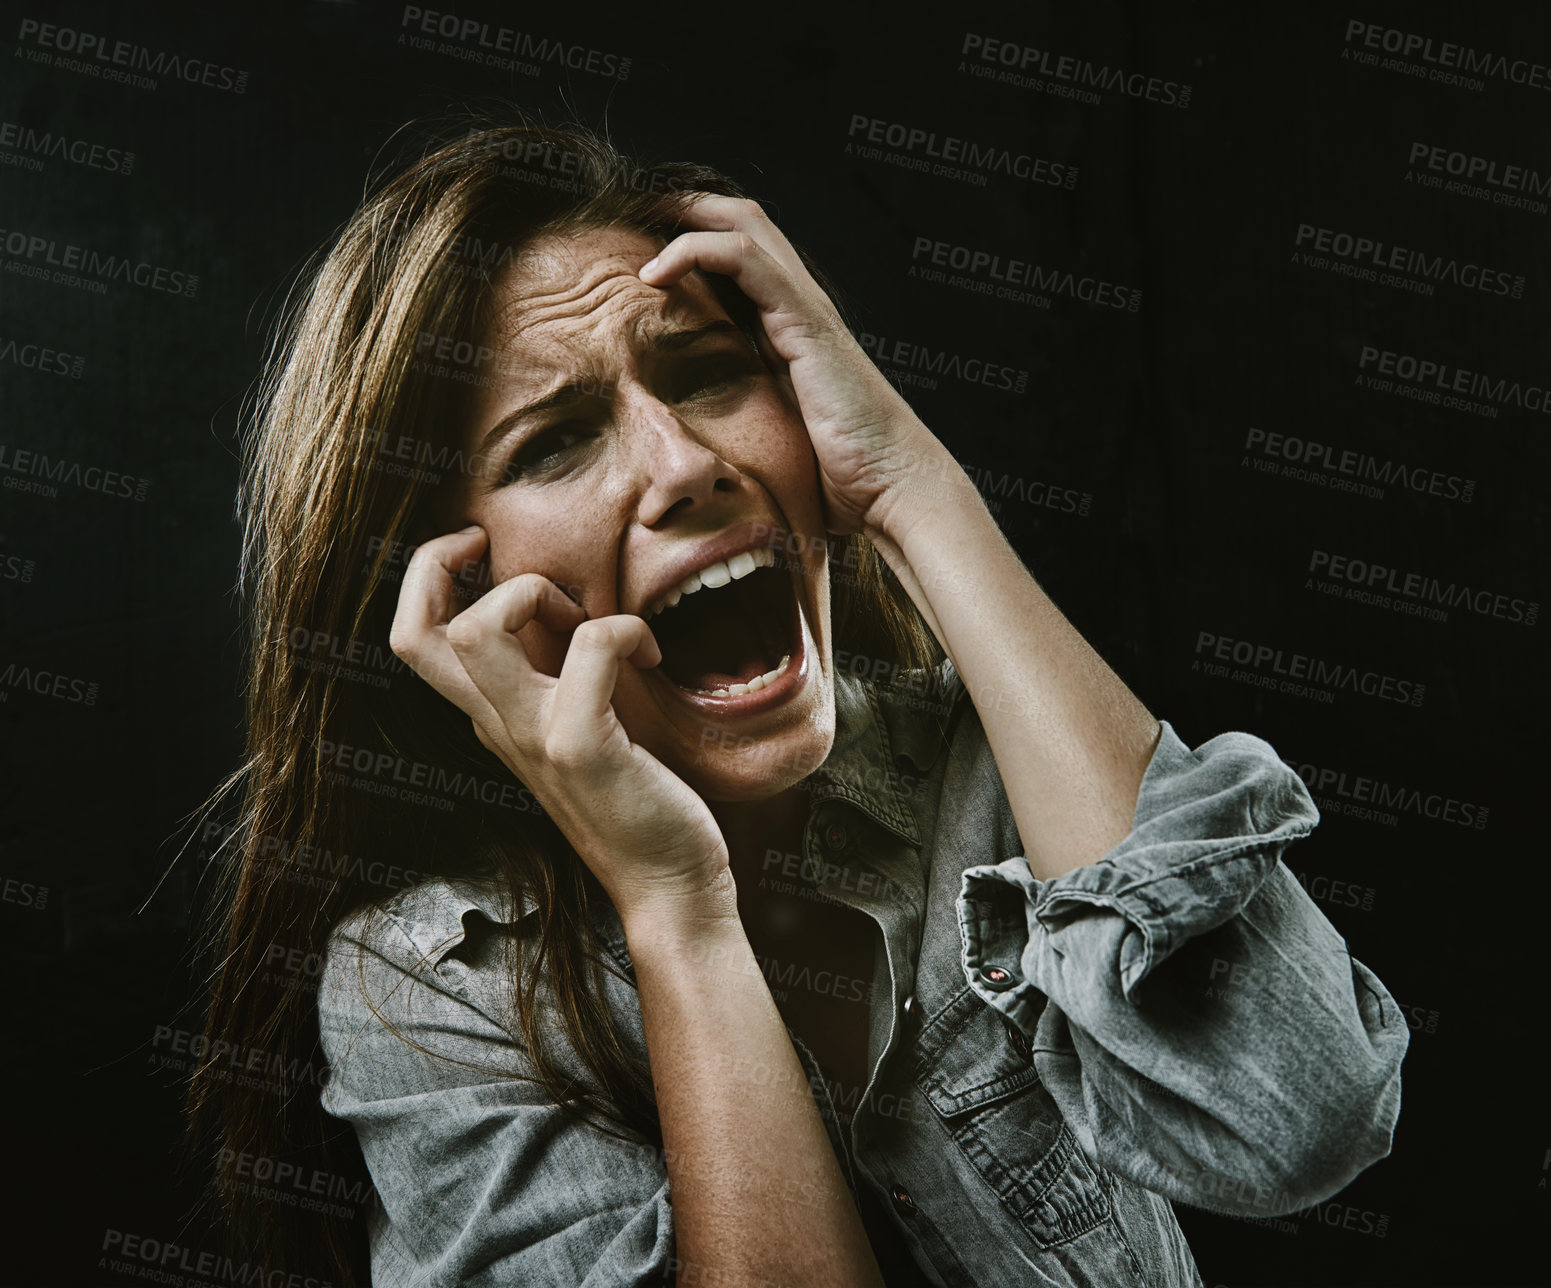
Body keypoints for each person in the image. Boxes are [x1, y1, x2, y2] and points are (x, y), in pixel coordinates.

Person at [188, 117, 1408, 1287]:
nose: (685, 465)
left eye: (712, 374)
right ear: (455, 590)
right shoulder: (430, 987)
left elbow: (1300, 1125)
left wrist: (911, 485)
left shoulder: (993, 762)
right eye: (554, 442)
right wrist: (676, 907)